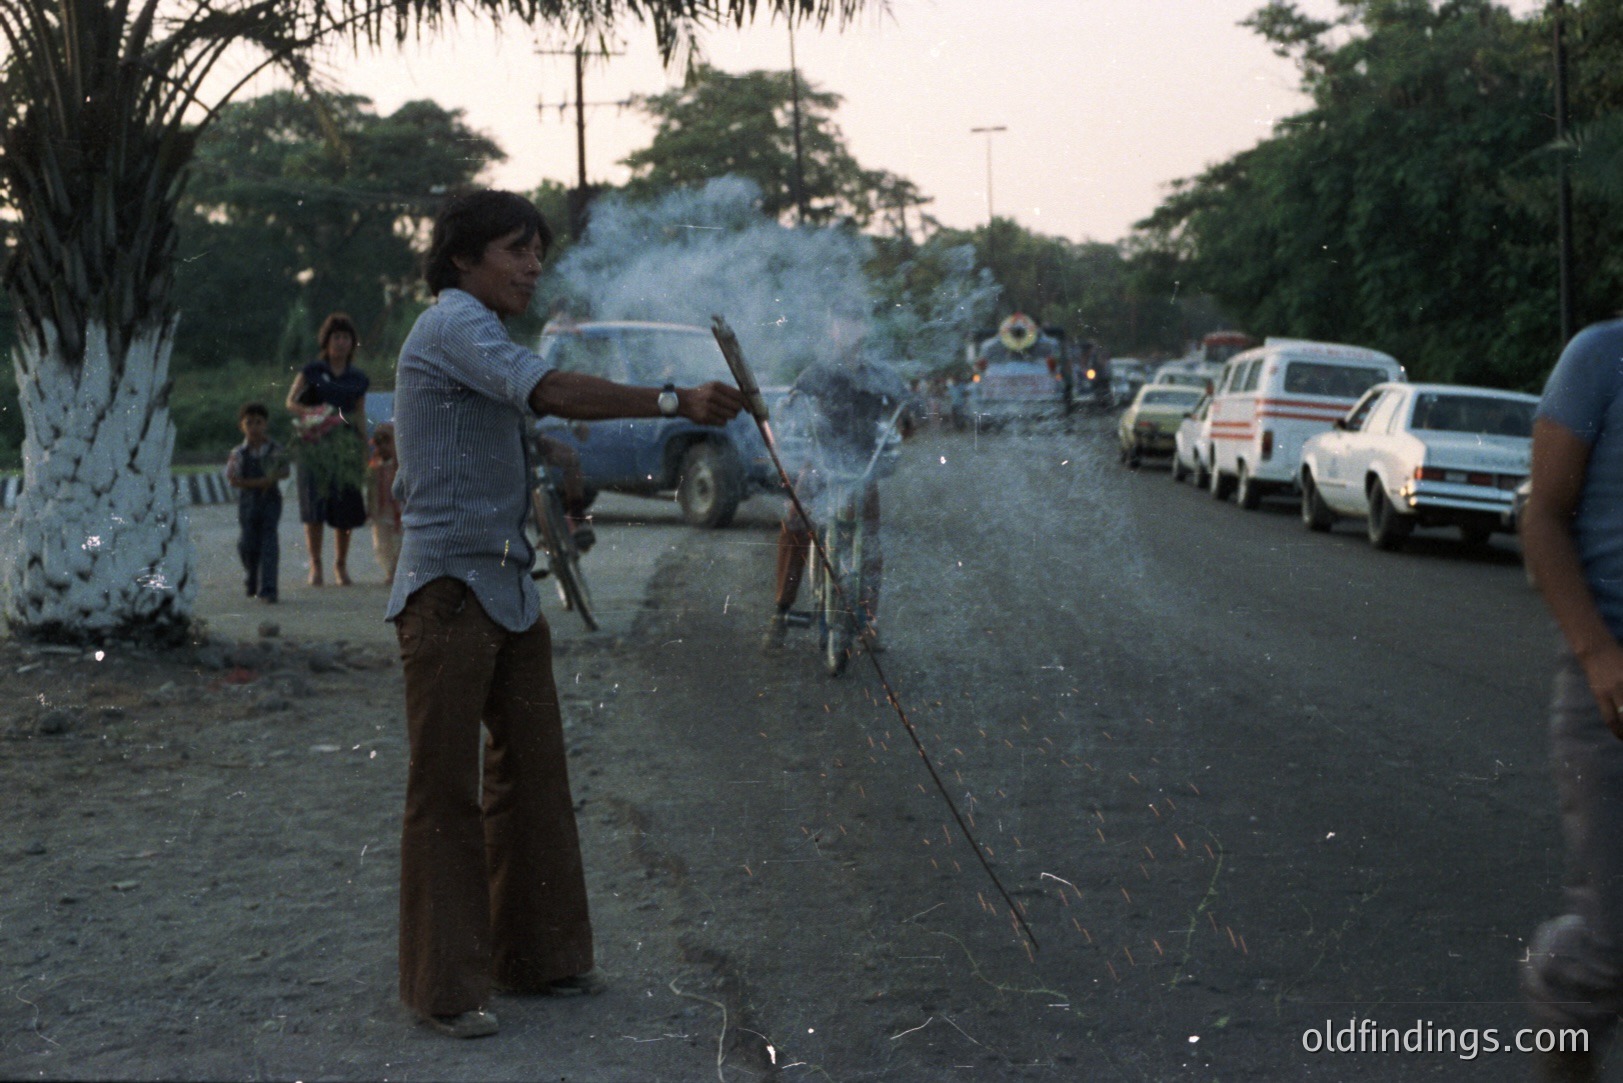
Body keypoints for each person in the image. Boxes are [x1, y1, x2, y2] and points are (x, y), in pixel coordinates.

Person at [385, 189, 743, 1040]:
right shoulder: (454, 324)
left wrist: (541, 450)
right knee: (446, 792)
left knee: (534, 774)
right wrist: (673, 402)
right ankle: (444, 989)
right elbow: (547, 390)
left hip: (505, 590)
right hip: (448, 592)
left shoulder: (480, 335)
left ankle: (538, 960)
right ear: (464, 258)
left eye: (537, 251)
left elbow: (511, 416)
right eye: (516, 249)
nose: (533, 266)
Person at [1521, 317, 1623, 1082]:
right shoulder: (1598, 357)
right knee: (1611, 940)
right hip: (1610, 685)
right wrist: (1596, 652)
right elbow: (1543, 517)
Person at [761, 312, 913, 654]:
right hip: (821, 463)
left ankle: (868, 620)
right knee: (795, 521)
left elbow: (906, 403)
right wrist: (791, 407)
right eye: (841, 321)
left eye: (855, 321)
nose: (847, 329)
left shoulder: (880, 375)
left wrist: (908, 411)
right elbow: (791, 402)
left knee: (870, 539)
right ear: (831, 329)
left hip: (862, 465)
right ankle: (780, 613)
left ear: (865, 328)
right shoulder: (818, 372)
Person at [286, 312, 369, 587]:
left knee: (344, 507)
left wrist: (365, 451)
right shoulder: (311, 371)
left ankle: (340, 565)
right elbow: (291, 402)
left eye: (346, 337)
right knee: (315, 507)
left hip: (344, 448)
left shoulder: (357, 378)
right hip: (315, 444)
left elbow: (358, 415)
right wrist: (315, 413)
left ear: (351, 342)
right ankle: (316, 565)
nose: (341, 342)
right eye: (337, 337)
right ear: (327, 340)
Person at [224, 402, 288, 604]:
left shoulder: (275, 449)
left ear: (265, 425)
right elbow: (233, 478)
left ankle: (269, 589)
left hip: (270, 501)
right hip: (248, 501)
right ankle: (252, 577)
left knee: (269, 541)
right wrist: (258, 482)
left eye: (258, 422)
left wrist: (272, 478)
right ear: (241, 426)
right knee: (247, 543)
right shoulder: (238, 453)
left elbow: (285, 471)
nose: (254, 427)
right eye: (249, 423)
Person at [365, 422, 402, 586]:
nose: (384, 447)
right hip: (380, 511)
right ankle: (389, 569)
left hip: (398, 511)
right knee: (381, 544)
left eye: (387, 442)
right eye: (380, 443)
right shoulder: (374, 465)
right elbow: (370, 490)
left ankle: (396, 570)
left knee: (398, 542)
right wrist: (370, 508)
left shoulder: (400, 466)